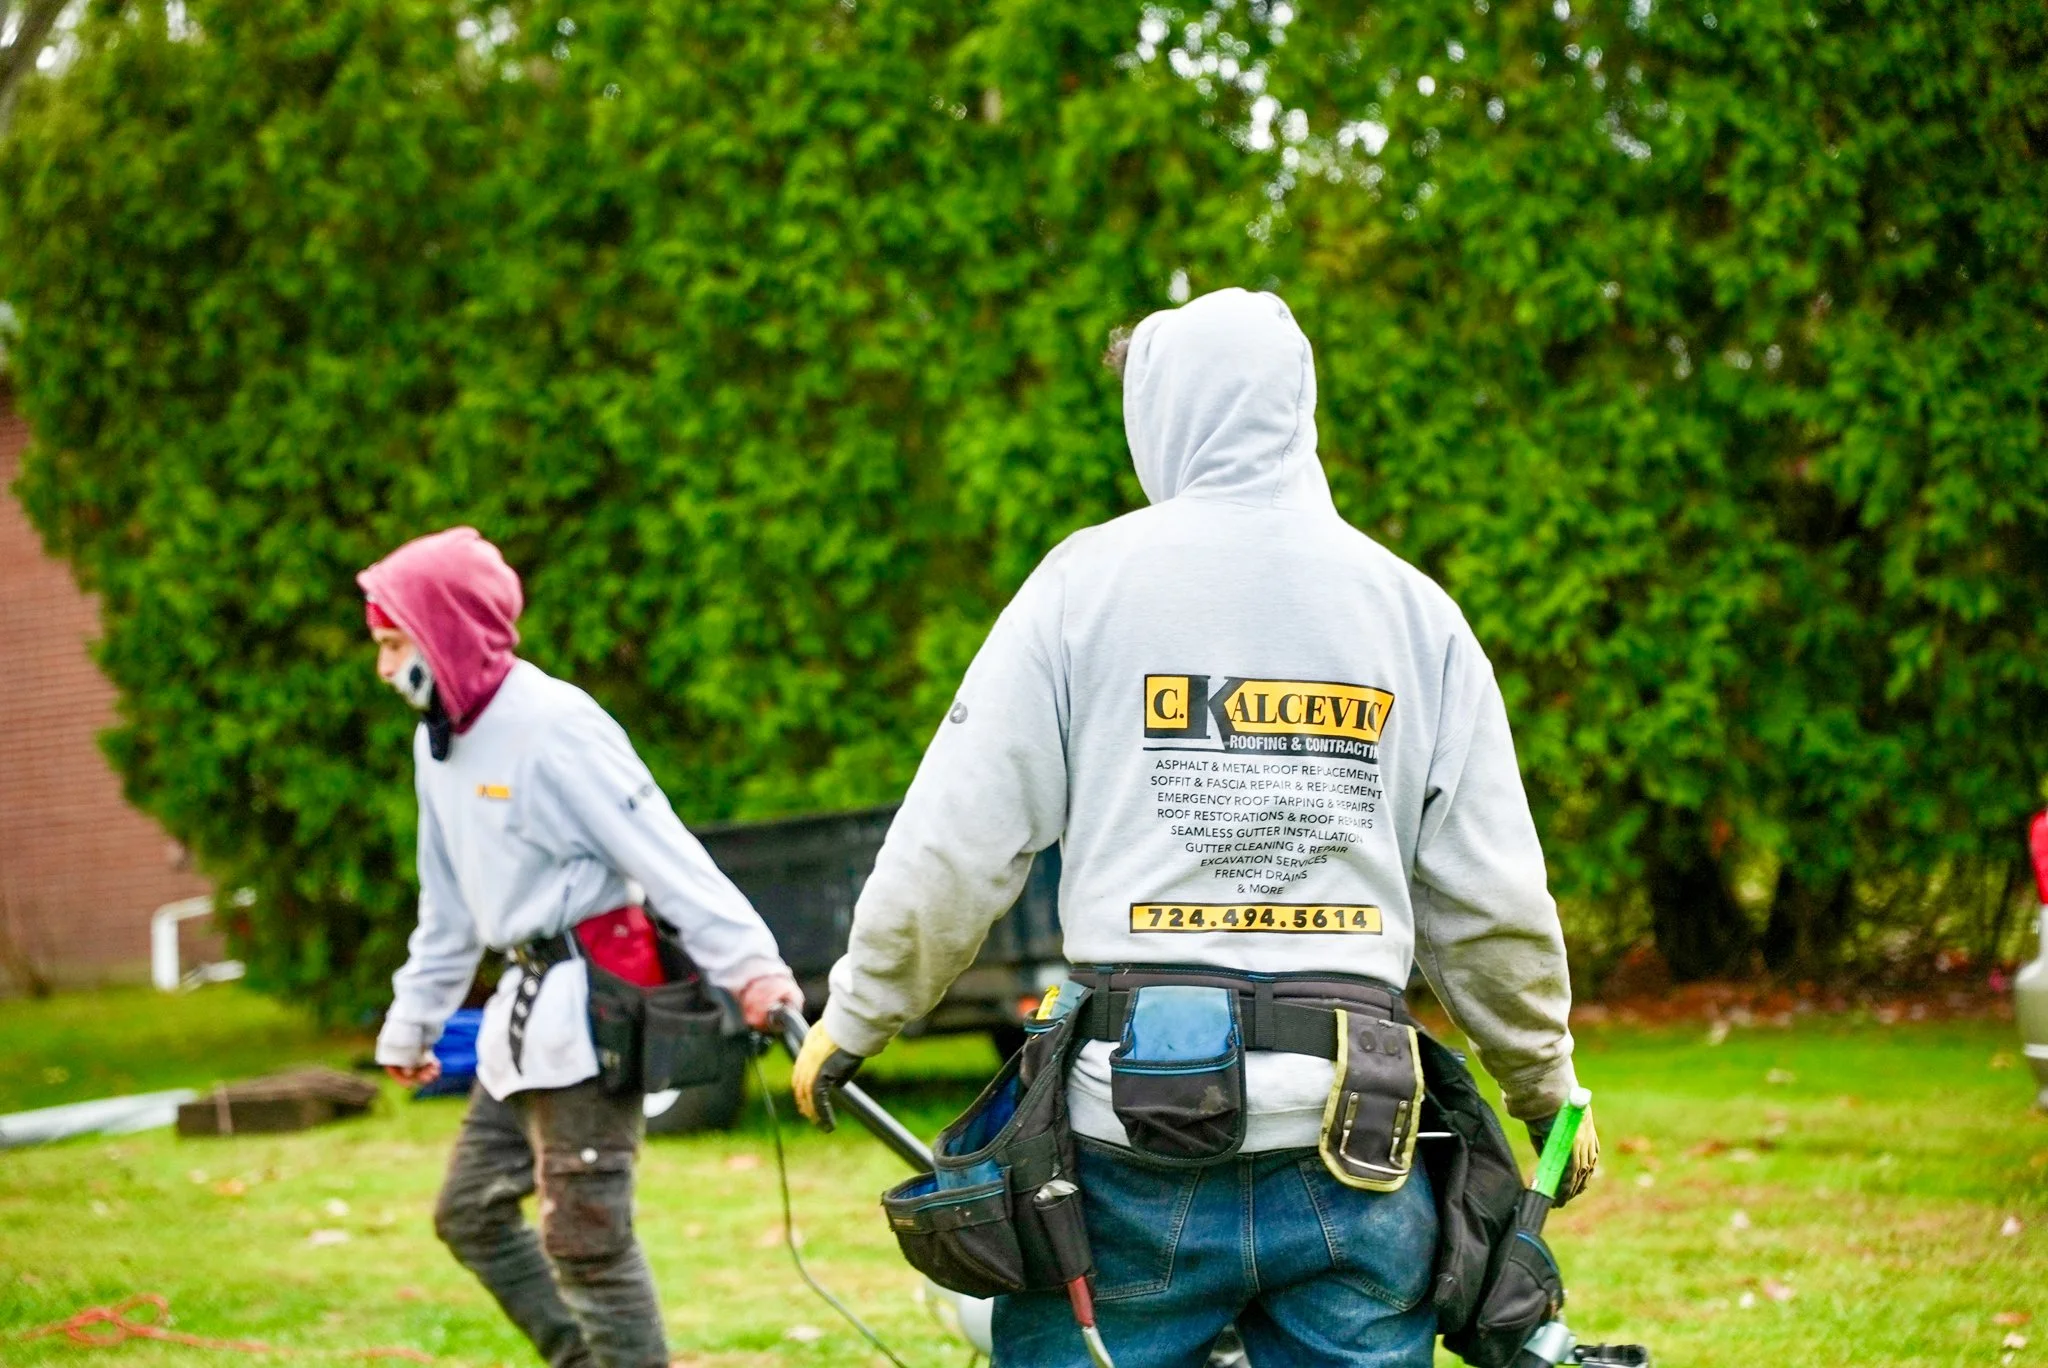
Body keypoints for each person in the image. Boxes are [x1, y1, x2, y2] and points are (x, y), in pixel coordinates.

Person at [793, 288, 1599, 1368]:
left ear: (1159, 418)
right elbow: (1489, 902)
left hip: (1128, 1154)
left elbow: (958, 838)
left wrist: (857, 1016)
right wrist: (1545, 1084)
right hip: (1353, 1142)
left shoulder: (1082, 585)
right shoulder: (1413, 614)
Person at [362, 526, 803, 1368]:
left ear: (448, 633)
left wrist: (753, 970)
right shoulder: (438, 740)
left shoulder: (556, 726)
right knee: (470, 1213)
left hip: (593, 1016)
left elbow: (666, 856)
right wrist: (411, 1025)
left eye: (394, 643)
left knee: (588, 1241)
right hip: (520, 1029)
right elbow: (447, 904)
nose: (385, 666)